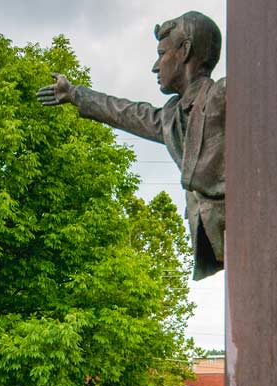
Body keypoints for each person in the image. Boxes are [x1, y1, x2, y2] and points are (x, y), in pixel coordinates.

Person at [36, 11, 225, 280]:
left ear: (185, 51)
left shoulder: (224, 96)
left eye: (162, 54)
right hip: (220, 238)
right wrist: (75, 94)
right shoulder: (172, 116)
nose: (155, 66)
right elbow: (127, 113)